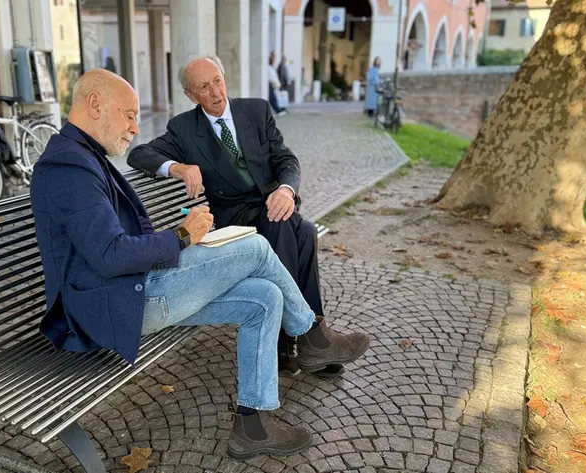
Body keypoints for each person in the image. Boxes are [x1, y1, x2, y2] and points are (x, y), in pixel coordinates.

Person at [30, 69, 370, 459]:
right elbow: (110, 255)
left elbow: (111, 247)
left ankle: (253, 426)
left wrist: (182, 238)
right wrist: (181, 235)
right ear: (95, 104)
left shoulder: (83, 156)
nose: (135, 128)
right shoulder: (68, 166)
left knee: (265, 296)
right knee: (256, 247)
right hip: (117, 305)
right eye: (129, 115)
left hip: (130, 289)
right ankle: (311, 335)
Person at [127, 56, 344, 378]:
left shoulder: (256, 111)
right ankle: (306, 340)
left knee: (304, 231)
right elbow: (138, 153)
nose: (216, 92)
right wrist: (177, 167)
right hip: (235, 217)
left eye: (217, 80)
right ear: (191, 95)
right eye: (204, 87)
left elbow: (285, 159)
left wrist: (285, 190)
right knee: (290, 227)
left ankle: (296, 343)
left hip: (271, 204)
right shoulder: (184, 128)